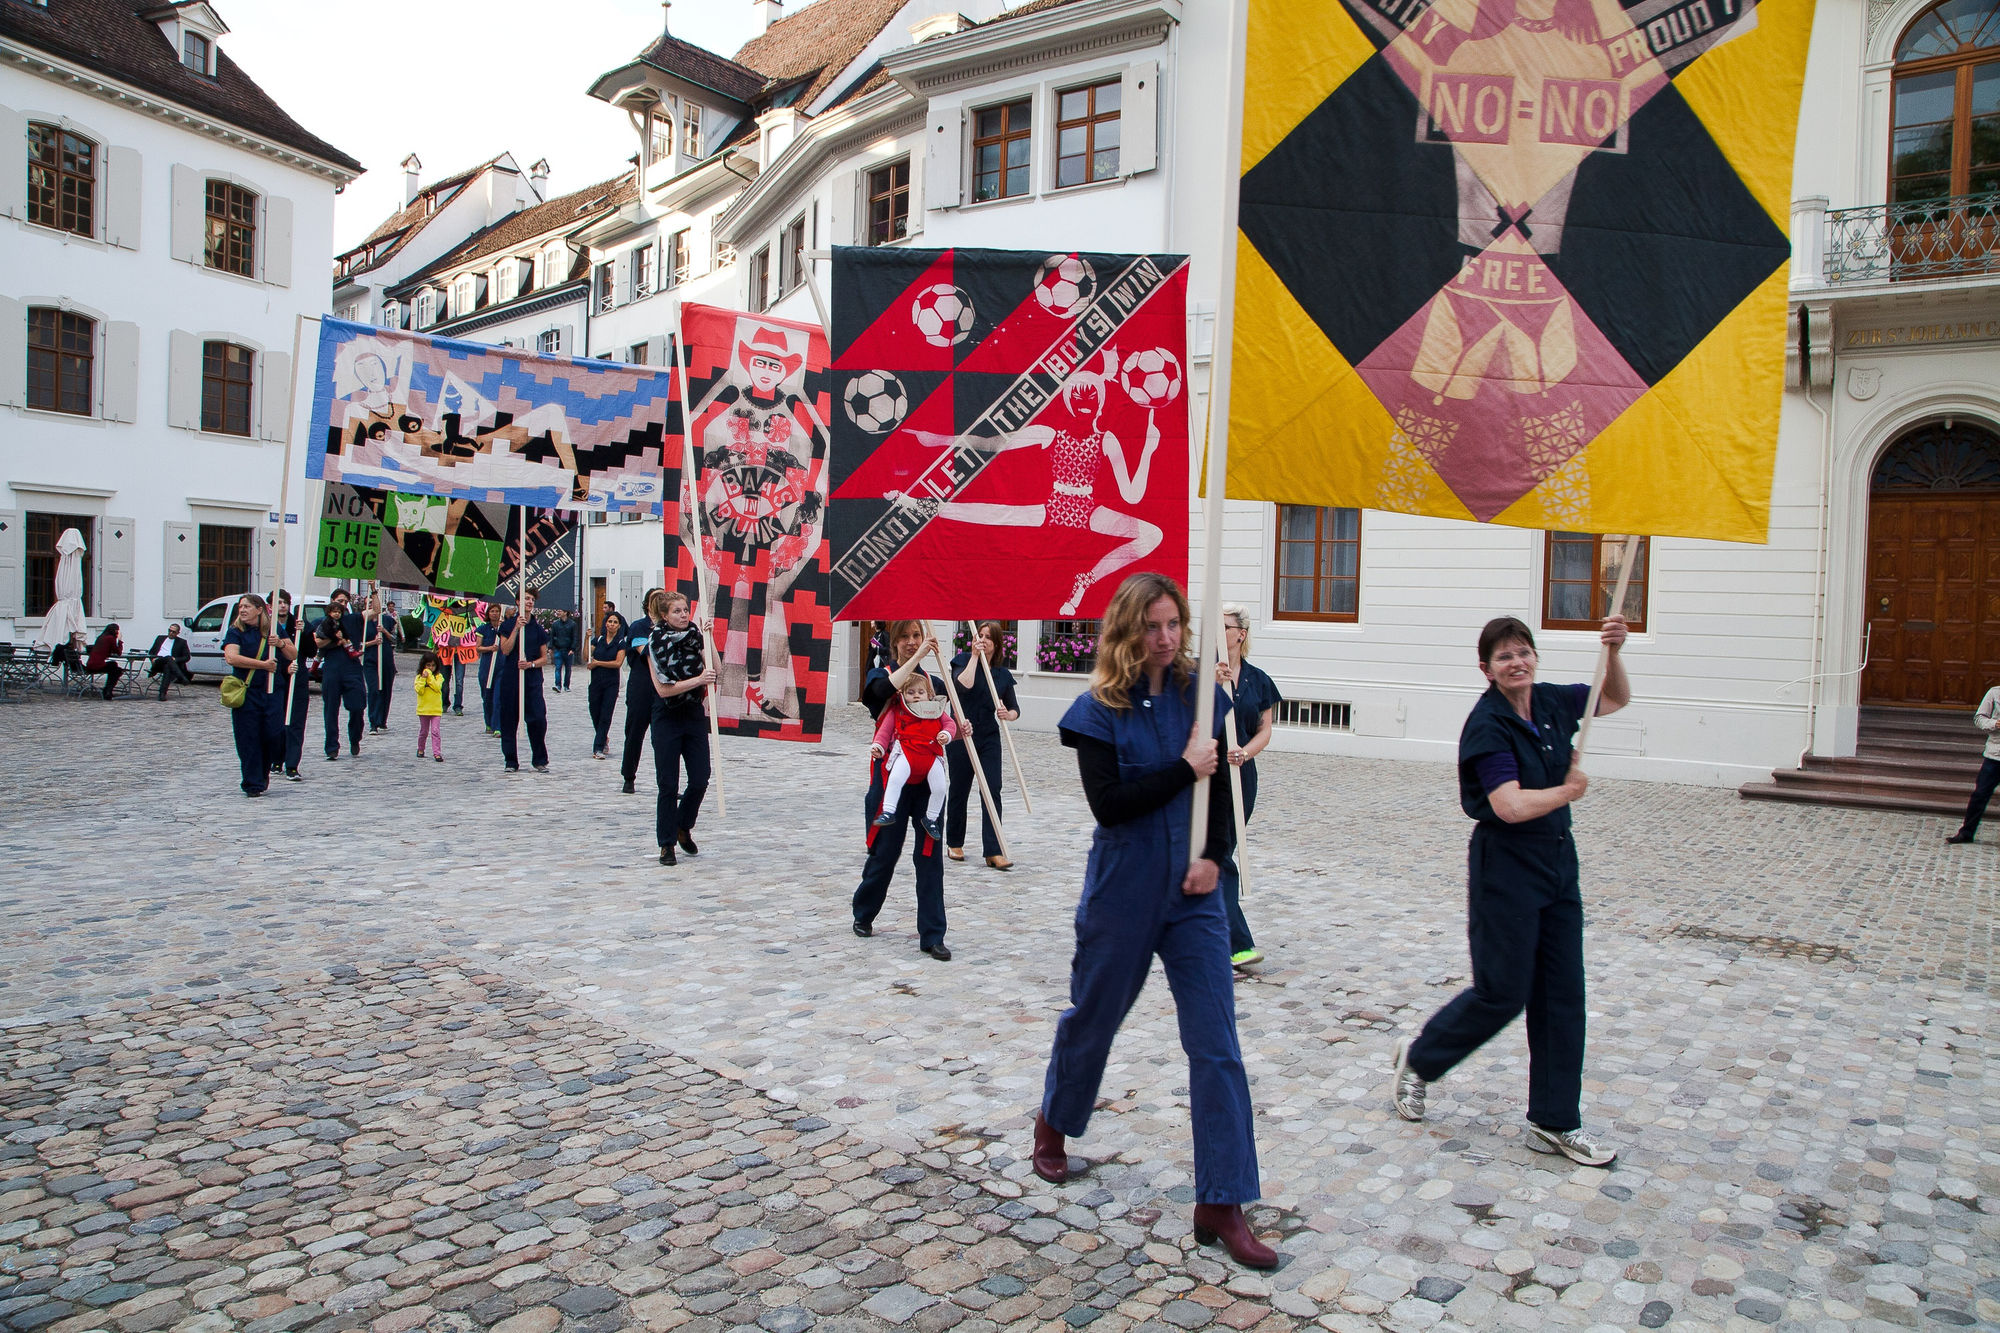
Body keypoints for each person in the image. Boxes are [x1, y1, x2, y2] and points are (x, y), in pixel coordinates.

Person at [1032, 573, 1272, 1269]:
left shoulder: (1204, 692)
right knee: (1095, 1015)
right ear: (1128, 630)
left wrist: (1216, 857)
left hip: (1195, 893)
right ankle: (1054, 1123)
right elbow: (1110, 804)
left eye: (1174, 624)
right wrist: (1181, 767)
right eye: (1153, 625)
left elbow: (1220, 787)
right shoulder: (1096, 709)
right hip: (1125, 886)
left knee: (1217, 1042)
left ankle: (1221, 1201)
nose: (1166, 637)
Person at [1391, 613, 1630, 1168]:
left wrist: (1614, 652)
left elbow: (1613, 700)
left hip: (1556, 862)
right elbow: (1509, 805)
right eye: (1504, 657)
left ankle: (1554, 1121)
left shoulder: (1549, 702)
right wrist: (1569, 789)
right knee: (1503, 992)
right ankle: (1421, 1060)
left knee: (1563, 993)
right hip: (1506, 866)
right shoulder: (1488, 726)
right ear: (1487, 669)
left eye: (1523, 651)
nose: (1517, 662)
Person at [852, 621, 954, 961]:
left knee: (929, 857)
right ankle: (864, 913)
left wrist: (957, 729)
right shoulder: (879, 676)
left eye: (917, 636)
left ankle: (932, 934)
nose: (912, 643)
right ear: (894, 642)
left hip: (926, 780)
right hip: (892, 780)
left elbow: (944, 723)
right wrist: (917, 659)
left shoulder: (935, 684)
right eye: (905, 638)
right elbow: (878, 696)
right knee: (884, 854)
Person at [1214, 604, 1281, 969]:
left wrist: (1245, 752)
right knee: (1219, 854)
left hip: (1241, 776)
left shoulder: (1258, 680)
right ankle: (1238, 943)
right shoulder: (1199, 673)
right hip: (1206, 774)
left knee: (1219, 851)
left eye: (1224, 627)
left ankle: (1199, 928)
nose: (1218, 633)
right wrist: (1210, 683)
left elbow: (1265, 729)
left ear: (1241, 633)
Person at [648, 591, 716, 865]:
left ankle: (682, 825)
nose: (684, 615)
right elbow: (663, 689)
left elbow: (716, 670)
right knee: (668, 783)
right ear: (664, 615)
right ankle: (666, 844)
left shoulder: (694, 636)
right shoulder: (656, 642)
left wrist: (708, 640)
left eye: (685, 610)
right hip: (667, 715)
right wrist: (698, 679)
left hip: (692, 713)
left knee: (700, 778)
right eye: (677, 611)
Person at [946, 622, 1019, 869]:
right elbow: (962, 684)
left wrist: (1007, 714)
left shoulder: (1002, 674)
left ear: (997, 644)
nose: (984, 640)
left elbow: (1014, 709)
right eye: (981, 635)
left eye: (989, 638)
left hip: (988, 737)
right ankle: (954, 842)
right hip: (962, 735)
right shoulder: (963, 660)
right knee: (959, 789)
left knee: (992, 790)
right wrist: (975, 657)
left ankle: (993, 850)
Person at [872, 674, 956, 842]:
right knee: (895, 779)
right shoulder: (899, 710)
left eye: (920, 692)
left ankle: (931, 818)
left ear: (929, 695)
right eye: (911, 692)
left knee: (940, 788)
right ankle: (888, 810)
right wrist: (878, 746)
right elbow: (885, 730)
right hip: (907, 752)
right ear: (903, 694)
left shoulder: (935, 710)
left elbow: (950, 724)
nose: (916, 695)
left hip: (931, 754)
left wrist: (946, 734)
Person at [220, 594, 282, 797]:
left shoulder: (273, 630)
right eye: (240, 607)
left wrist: (280, 644)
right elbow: (231, 657)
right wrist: (263, 665)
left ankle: (263, 772)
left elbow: (292, 652)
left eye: (247, 606)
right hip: (246, 691)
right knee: (248, 738)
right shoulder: (235, 631)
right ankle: (252, 782)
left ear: (259, 609)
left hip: (271, 691)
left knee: (273, 734)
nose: (243, 610)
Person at [494, 591, 551, 772]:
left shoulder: (539, 629)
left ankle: (539, 759)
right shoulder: (508, 625)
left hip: (532, 679)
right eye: (526, 598)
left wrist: (531, 664)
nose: (529, 602)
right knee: (509, 719)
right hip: (511, 677)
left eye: (532, 600)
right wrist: (516, 629)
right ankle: (510, 761)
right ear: (518, 601)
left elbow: (545, 658)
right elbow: (505, 649)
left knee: (538, 719)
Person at [619, 590, 665, 794]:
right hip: (641, 687)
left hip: (663, 689)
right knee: (634, 734)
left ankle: (666, 781)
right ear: (648, 604)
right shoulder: (639, 626)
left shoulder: (669, 627)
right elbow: (646, 652)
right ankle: (629, 776)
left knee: (663, 738)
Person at [315, 588, 367, 759]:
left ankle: (355, 738)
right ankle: (331, 746)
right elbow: (317, 642)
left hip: (352, 669)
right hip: (332, 669)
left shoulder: (353, 619)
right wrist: (336, 639)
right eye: (339, 602)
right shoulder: (322, 621)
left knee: (358, 706)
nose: (342, 605)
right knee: (330, 709)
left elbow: (374, 611)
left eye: (345, 602)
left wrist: (374, 591)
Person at [1946, 684, 2000, 844]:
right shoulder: (1995, 692)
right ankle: (1966, 833)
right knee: (1980, 794)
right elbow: (1979, 718)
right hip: (1995, 755)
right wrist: (1996, 723)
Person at [271, 591, 312, 782]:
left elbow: (312, 650)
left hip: (297, 678)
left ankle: (292, 764)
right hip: (274, 678)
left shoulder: (298, 624)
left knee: (295, 721)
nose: (283, 606)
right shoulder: (266, 626)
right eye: (278, 602)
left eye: (285, 602)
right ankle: (276, 759)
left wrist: (303, 633)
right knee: (277, 722)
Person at [586, 611, 627, 759]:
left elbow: (617, 663)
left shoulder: (621, 643)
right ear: (606, 623)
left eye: (615, 622)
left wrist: (599, 663)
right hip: (596, 681)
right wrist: (586, 639)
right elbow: (587, 657)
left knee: (606, 714)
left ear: (619, 625)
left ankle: (598, 747)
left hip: (611, 683)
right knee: (594, 710)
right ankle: (603, 737)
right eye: (610, 621)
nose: (612, 624)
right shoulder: (598, 640)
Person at [363, 593, 398, 732]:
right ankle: (373, 721)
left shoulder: (387, 620)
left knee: (386, 690)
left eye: (372, 603)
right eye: (368, 604)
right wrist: (372, 642)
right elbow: (358, 644)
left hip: (386, 659)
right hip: (371, 660)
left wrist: (384, 632)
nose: (371, 605)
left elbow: (395, 640)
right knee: (373, 690)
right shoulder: (363, 622)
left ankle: (382, 719)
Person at [474, 602, 504, 735]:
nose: (495, 614)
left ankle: (498, 725)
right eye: (492, 611)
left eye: (497, 611)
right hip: (486, 667)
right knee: (487, 697)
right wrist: (490, 648)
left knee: (498, 697)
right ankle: (489, 723)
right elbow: (478, 647)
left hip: (501, 666)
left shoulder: (503, 628)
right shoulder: (482, 629)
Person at [413, 651, 446, 762]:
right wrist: (423, 678)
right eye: (428, 665)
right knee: (424, 731)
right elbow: (419, 690)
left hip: (435, 709)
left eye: (433, 665)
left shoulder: (439, 677)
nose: (430, 668)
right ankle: (421, 748)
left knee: (435, 731)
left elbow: (437, 688)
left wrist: (430, 677)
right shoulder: (418, 677)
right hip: (424, 709)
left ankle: (437, 753)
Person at [146, 623, 192, 699]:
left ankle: (162, 694)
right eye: (169, 630)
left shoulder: (182, 642)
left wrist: (176, 659)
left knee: (168, 667)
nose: (171, 633)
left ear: (178, 633)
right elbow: (151, 652)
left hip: (170, 665)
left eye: (173, 632)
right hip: (158, 663)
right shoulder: (160, 638)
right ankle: (181, 677)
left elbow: (187, 657)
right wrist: (152, 659)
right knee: (168, 658)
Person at [83, 624, 126, 699]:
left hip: (90, 665)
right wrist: (120, 640)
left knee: (113, 665)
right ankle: (108, 691)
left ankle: (107, 690)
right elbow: (118, 652)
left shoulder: (101, 637)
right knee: (117, 671)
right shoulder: (110, 638)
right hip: (97, 666)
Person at [549, 609, 577, 693]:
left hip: (568, 650)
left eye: (560, 611)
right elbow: (552, 636)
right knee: (558, 668)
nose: (558, 612)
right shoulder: (555, 624)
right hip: (558, 648)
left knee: (568, 669)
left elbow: (574, 637)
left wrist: (573, 648)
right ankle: (558, 685)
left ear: (565, 612)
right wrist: (550, 647)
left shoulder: (572, 624)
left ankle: (566, 685)